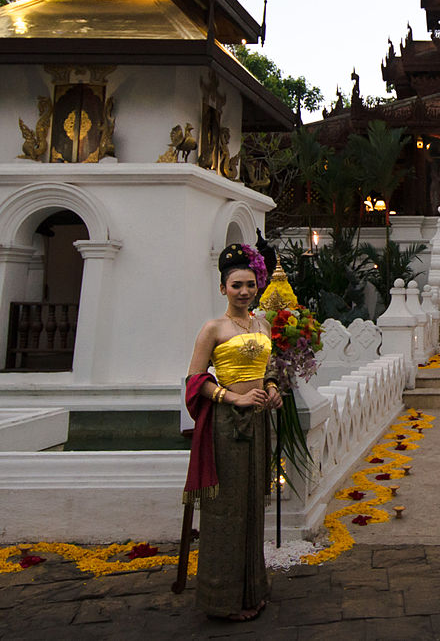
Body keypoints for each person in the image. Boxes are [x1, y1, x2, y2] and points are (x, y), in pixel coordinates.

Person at [183, 244, 282, 621]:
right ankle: (222, 601)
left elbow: (267, 367)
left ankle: (252, 591)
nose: (244, 292)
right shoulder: (213, 329)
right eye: (236, 285)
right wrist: (231, 399)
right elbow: (195, 381)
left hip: (258, 423)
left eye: (250, 285)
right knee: (227, 510)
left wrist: (271, 388)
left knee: (253, 505)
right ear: (223, 288)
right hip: (227, 427)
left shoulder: (262, 324)